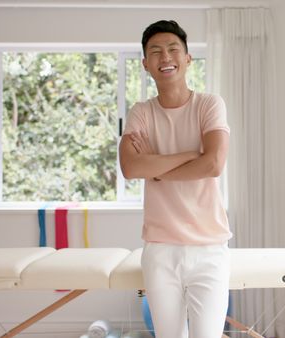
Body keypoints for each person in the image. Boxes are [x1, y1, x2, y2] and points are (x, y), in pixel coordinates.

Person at [119, 20, 231, 338]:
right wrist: (188, 155)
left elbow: (213, 164)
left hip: (209, 246)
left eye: (172, 49)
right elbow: (130, 168)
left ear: (187, 58)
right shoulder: (141, 112)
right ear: (145, 64)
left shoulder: (209, 105)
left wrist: (154, 168)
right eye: (155, 51)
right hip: (160, 247)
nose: (164, 57)